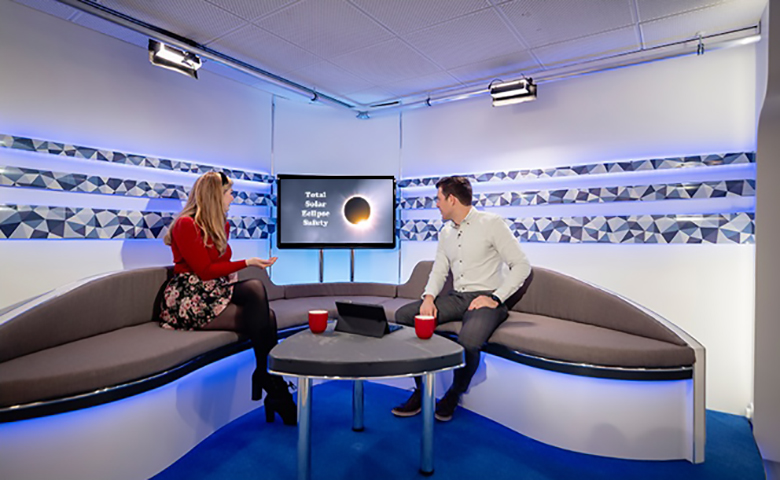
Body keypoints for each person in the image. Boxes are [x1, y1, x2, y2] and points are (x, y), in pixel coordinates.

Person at [159, 171, 296, 426]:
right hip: (190, 297)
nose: (232, 198)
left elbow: (218, 267)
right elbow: (204, 270)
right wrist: (248, 262)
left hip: (213, 291)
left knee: (264, 310)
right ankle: (271, 381)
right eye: (229, 193)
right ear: (215, 195)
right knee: (258, 298)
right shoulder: (185, 225)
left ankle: (269, 378)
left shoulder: (222, 224)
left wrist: (238, 267)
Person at [392, 176, 531, 422]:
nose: (436, 204)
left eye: (438, 199)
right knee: (404, 316)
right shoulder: (446, 232)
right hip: (457, 297)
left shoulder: (491, 223)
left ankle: (454, 393)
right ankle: (421, 389)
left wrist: (495, 298)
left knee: (469, 341)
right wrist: (428, 298)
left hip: (487, 299)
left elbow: (521, 265)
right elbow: (439, 270)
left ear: (452, 199)